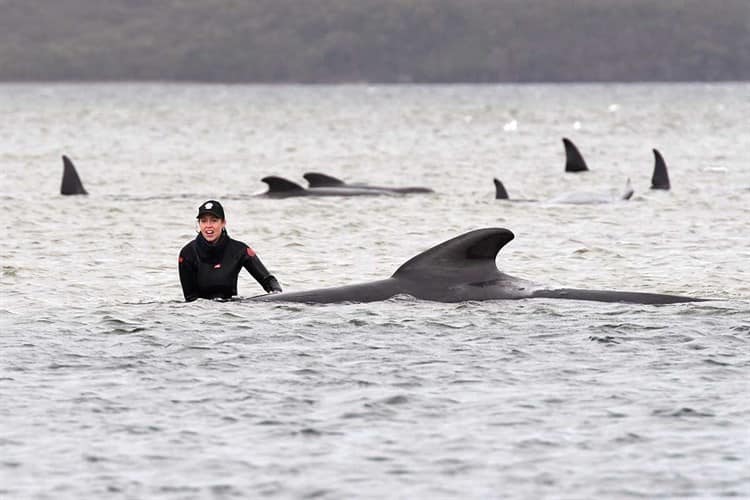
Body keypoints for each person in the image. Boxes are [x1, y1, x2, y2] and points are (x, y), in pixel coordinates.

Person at [178, 200, 282, 301]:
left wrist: (278, 295)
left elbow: (268, 280)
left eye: (214, 220)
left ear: (223, 223)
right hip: (200, 314)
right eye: (204, 221)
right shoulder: (187, 253)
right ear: (199, 224)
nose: (208, 225)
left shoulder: (239, 250)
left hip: (231, 311)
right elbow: (190, 299)